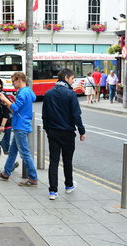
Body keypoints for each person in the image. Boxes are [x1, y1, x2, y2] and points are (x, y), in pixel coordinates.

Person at [42, 69, 86, 200]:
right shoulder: (70, 94)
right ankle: (68, 185)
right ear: (66, 78)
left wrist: (48, 131)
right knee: (67, 160)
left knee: (53, 161)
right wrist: (81, 131)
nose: (74, 81)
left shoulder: (49, 93)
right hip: (67, 133)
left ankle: (53, 191)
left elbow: (45, 115)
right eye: (73, 78)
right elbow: (76, 115)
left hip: (53, 132)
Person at [0, 72, 38, 187]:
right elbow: (32, 99)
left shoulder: (22, 93)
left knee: (25, 153)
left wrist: (5, 99)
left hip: (20, 126)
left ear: (19, 80)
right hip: (22, 124)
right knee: (13, 151)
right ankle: (6, 173)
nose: (12, 83)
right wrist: (9, 102)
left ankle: (33, 178)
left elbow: (15, 108)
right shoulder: (28, 91)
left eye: (13, 81)